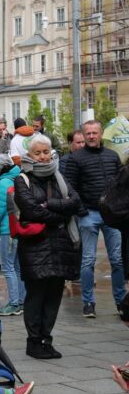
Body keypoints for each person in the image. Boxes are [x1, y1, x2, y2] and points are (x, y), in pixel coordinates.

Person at [15, 134, 81, 359]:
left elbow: (75, 202)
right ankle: (33, 341)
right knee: (36, 295)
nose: (43, 157)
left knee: (54, 296)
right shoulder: (22, 179)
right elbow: (31, 210)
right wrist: (58, 215)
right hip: (35, 246)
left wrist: (51, 204)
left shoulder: (59, 176)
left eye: (46, 152)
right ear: (30, 155)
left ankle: (46, 339)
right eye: (38, 153)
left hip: (60, 245)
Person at [64, 120, 125, 318]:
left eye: (95, 133)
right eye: (88, 133)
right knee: (88, 260)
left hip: (112, 215)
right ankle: (88, 302)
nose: (91, 136)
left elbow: (121, 186)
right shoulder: (76, 158)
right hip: (89, 213)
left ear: (101, 134)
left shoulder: (112, 156)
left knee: (117, 260)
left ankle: (120, 301)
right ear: (84, 135)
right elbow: (70, 187)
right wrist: (81, 210)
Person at [0, 154, 25, 316]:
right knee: (17, 267)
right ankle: (21, 301)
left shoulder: (3, 184)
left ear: (0, 168)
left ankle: (14, 303)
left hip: (7, 230)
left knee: (8, 267)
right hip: (18, 229)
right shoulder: (18, 178)